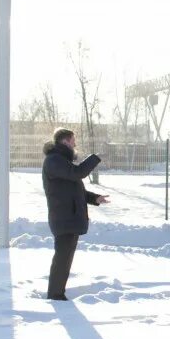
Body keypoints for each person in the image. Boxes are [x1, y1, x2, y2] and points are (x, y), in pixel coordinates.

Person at [42, 128, 108, 301]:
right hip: (63, 217)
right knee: (62, 258)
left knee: (65, 258)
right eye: (73, 140)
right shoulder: (54, 161)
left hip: (69, 218)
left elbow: (76, 190)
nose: (75, 144)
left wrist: (95, 198)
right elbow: (79, 173)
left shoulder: (62, 162)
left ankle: (57, 292)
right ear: (65, 142)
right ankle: (55, 294)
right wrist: (94, 158)